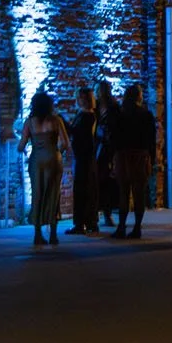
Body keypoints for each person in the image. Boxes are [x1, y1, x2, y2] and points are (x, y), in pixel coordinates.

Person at [19, 91, 70, 246]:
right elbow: (65, 143)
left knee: (37, 194)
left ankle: (37, 234)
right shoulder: (56, 120)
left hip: (36, 160)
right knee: (53, 194)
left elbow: (21, 145)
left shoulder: (29, 122)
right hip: (53, 158)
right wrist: (56, 151)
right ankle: (53, 234)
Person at [111, 83, 157, 239]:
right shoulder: (146, 115)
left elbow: (114, 138)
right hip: (140, 156)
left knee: (123, 193)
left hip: (123, 155)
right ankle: (137, 227)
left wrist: (113, 157)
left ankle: (122, 226)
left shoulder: (120, 115)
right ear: (139, 97)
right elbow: (151, 139)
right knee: (139, 194)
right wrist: (153, 158)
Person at [67, 86, 98, 234]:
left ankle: (81, 223)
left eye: (79, 97)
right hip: (86, 156)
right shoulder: (88, 114)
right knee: (88, 188)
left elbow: (78, 133)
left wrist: (62, 121)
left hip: (83, 157)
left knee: (82, 189)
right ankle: (90, 221)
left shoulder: (86, 116)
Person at [93, 83, 119, 232]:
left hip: (108, 149)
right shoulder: (95, 108)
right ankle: (97, 214)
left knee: (108, 182)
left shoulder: (113, 108)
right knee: (97, 182)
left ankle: (108, 213)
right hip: (97, 148)